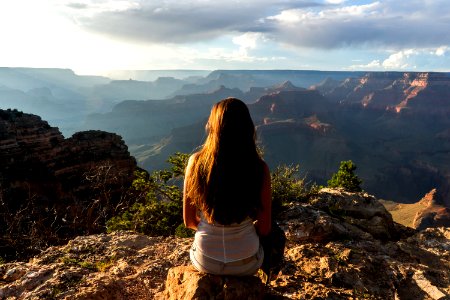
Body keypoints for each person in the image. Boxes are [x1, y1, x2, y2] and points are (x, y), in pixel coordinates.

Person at [183, 97, 272, 276]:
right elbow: (264, 228)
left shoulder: (195, 162)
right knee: (276, 233)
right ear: (248, 128)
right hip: (246, 264)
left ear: (213, 126)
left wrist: (213, 228)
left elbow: (189, 222)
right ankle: (271, 275)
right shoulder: (259, 167)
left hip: (205, 260)